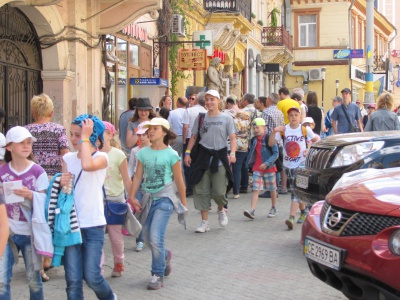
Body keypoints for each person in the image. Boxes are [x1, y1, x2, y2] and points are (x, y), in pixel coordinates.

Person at [60, 115, 116, 300]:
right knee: (73, 280)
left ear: (92, 136)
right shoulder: (67, 158)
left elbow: (87, 164)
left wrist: (86, 137)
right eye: (72, 134)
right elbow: (65, 191)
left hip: (93, 224)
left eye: (79, 135)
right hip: (71, 225)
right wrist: (61, 183)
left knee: (92, 276)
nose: (73, 139)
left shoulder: (102, 157)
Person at [128, 118, 187, 290]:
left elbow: (179, 180)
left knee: (155, 236)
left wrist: (183, 203)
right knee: (146, 237)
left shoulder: (171, 155)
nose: (151, 132)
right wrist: (132, 196)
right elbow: (138, 176)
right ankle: (166, 255)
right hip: (147, 198)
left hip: (165, 199)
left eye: (155, 128)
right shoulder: (143, 153)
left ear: (164, 132)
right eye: (149, 129)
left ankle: (157, 274)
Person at [0, 126, 51, 300]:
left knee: (33, 279)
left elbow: (46, 202)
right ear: (9, 147)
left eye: (28, 142)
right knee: (2, 279)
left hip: (30, 231)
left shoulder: (37, 171)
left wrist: (30, 195)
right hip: (6, 232)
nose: (26, 146)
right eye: (21, 143)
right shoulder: (2, 171)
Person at [25, 93, 70, 282]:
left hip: (33, 180)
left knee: (36, 219)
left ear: (33, 112)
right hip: (53, 179)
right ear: (51, 112)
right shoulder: (58, 129)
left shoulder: (26, 131)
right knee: (51, 217)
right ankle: (48, 257)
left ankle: (40, 258)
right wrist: (65, 178)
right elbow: (65, 155)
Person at [184, 90, 236, 233]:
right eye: (207, 99)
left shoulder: (227, 118)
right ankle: (204, 222)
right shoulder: (201, 118)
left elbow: (232, 138)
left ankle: (221, 210)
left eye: (212, 99)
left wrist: (232, 153)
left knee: (219, 191)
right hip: (202, 157)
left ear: (219, 101)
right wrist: (187, 153)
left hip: (219, 158)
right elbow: (193, 137)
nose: (209, 102)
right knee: (201, 190)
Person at [268, 107, 318, 230]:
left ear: (300, 117)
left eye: (296, 115)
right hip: (288, 165)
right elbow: (270, 143)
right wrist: (274, 131)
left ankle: (291, 217)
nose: (294, 117)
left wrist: (309, 149)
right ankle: (304, 211)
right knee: (297, 190)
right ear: (288, 117)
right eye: (291, 115)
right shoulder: (284, 130)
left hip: (301, 164)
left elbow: (317, 140)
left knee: (295, 190)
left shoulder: (304, 129)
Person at [100, 121, 131, 277]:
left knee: (115, 236)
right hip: (97, 201)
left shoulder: (118, 155)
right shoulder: (92, 153)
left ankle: (119, 262)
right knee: (97, 236)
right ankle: (98, 268)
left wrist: (132, 197)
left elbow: (126, 179)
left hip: (115, 200)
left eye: (102, 132)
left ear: (110, 135)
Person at [243, 118, 279, 219]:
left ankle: (273, 207)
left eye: (257, 127)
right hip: (257, 168)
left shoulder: (269, 138)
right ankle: (252, 210)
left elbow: (276, 153)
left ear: (264, 127)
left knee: (272, 189)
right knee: (256, 189)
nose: (256, 130)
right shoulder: (253, 140)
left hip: (269, 168)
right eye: (254, 128)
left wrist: (267, 163)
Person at [128, 121, 151, 252]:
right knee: (139, 211)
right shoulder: (135, 151)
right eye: (139, 135)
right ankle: (140, 240)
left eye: (144, 134)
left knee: (150, 211)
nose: (141, 137)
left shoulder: (154, 149)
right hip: (138, 182)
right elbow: (130, 168)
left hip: (151, 184)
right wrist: (130, 185)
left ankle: (150, 236)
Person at [223, 95, 250, 199]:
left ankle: (224, 191)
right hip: (243, 143)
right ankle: (236, 192)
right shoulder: (246, 114)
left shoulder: (225, 114)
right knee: (237, 169)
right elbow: (248, 129)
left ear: (228, 103)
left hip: (230, 143)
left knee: (226, 168)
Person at [182, 92, 207, 197]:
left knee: (188, 164)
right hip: (202, 140)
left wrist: (184, 140)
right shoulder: (206, 112)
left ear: (196, 100)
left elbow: (185, 127)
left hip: (190, 139)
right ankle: (199, 186)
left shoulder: (189, 111)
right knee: (199, 163)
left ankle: (189, 187)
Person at [238, 93, 260, 194]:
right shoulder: (258, 112)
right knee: (254, 161)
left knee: (244, 163)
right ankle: (255, 184)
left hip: (245, 139)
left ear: (246, 100)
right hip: (256, 138)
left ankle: (243, 185)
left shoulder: (243, 112)